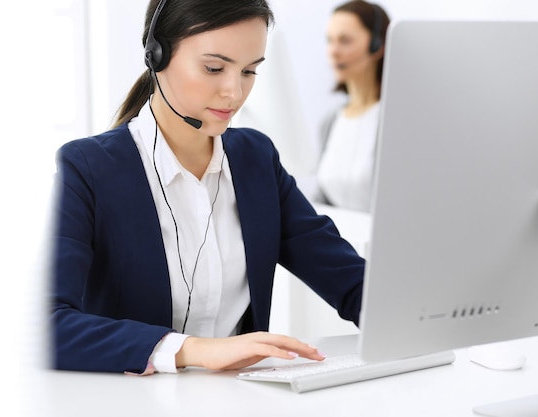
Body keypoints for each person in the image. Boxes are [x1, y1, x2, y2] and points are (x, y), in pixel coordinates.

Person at [50, 0, 365, 375]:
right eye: (214, 68)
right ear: (157, 56)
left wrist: (432, 317)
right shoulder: (88, 169)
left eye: (249, 71)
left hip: (239, 401)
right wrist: (191, 350)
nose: (234, 92)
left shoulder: (256, 160)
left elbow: (351, 282)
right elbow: (46, 325)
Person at [314, 1, 390, 212]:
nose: (333, 51)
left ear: (377, 45)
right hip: (338, 241)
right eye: (329, 40)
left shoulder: (394, 120)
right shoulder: (330, 121)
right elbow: (322, 199)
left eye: (345, 41)